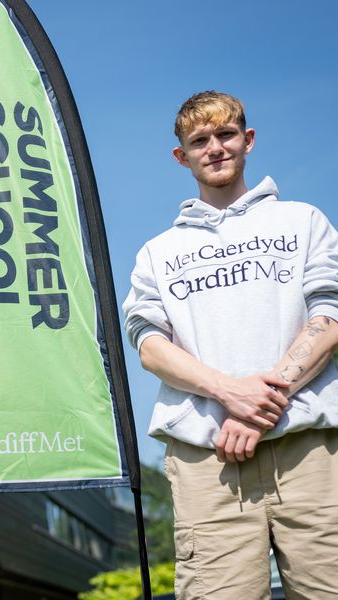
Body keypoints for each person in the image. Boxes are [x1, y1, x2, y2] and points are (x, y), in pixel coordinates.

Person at [123, 91, 338, 599]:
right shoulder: (158, 252)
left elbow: (328, 319)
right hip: (208, 461)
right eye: (200, 140)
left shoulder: (302, 221)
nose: (215, 147)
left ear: (248, 140)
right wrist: (229, 394)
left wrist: (256, 407)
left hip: (306, 451)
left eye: (226, 135)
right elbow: (150, 347)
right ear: (182, 155)